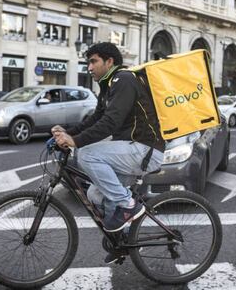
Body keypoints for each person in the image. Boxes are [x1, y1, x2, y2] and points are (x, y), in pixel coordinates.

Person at [52, 43, 164, 261]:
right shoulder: (108, 85)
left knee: (87, 154)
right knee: (95, 193)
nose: (89, 68)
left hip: (145, 149)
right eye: (88, 63)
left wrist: (75, 141)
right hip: (131, 150)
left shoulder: (124, 80)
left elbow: (110, 122)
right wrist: (67, 133)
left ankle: (128, 205)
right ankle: (124, 242)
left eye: (93, 61)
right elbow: (96, 119)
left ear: (109, 61)